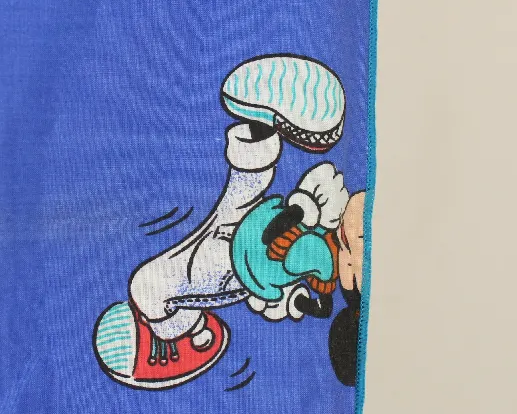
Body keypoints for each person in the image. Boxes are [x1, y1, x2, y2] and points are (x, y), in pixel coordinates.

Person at [93, 54, 366, 389]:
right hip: (254, 223)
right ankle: (260, 129)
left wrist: (296, 296)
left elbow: (289, 290)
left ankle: (179, 333)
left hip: (237, 267)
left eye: (357, 266)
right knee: (240, 192)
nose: (362, 241)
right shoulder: (336, 209)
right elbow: (315, 196)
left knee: (149, 284)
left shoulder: (322, 268)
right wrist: (299, 213)